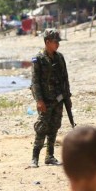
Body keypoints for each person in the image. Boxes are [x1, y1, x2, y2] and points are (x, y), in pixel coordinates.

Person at [30, 28, 72, 167]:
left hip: (58, 99)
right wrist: (39, 100)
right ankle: (35, 158)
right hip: (45, 100)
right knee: (42, 127)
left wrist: (67, 96)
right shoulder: (39, 59)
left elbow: (65, 78)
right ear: (47, 42)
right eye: (55, 42)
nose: (58, 44)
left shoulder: (59, 57)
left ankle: (50, 156)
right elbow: (35, 82)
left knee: (54, 126)